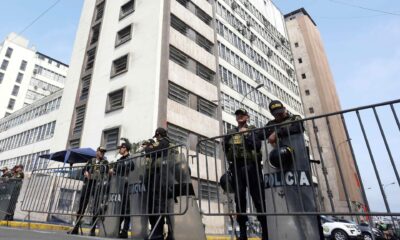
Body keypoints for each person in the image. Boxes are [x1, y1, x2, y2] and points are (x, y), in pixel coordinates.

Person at [223, 109, 268, 240]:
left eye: (242, 115)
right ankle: (243, 233)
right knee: (239, 200)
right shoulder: (231, 132)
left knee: (258, 199)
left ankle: (265, 232)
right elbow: (225, 146)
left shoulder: (253, 129)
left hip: (251, 167)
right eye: (237, 115)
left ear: (247, 117)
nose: (239, 117)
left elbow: (257, 145)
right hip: (237, 167)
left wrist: (247, 135)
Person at [69, 146, 109, 236]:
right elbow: (84, 169)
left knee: (95, 207)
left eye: (104, 152)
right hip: (88, 185)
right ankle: (76, 227)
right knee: (82, 206)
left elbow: (104, 171)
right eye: (101, 151)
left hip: (97, 186)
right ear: (97, 151)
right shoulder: (91, 160)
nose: (102, 153)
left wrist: (95, 173)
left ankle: (92, 230)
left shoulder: (105, 162)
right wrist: (85, 172)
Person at [144, 127, 173, 240]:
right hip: (160, 176)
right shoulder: (166, 143)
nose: (156, 139)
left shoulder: (164, 142)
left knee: (157, 204)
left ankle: (158, 233)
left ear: (159, 135)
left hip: (160, 176)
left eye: (156, 137)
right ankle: (157, 231)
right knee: (155, 204)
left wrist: (148, 147)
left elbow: (150, 152)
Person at [109, 139, 134, 239]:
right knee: (119, 209)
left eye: (121, 148)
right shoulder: (119, 160)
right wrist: (113, 171)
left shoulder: (130, 158)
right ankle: (117, 229)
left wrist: (116, 170)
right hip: (119, 186)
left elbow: (130, 167)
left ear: (126, 148)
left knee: (127, 209)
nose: (119, 150)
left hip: (127, 186)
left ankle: (125, 231)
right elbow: (116, 170)